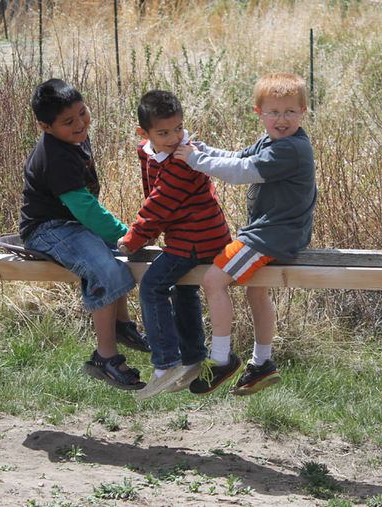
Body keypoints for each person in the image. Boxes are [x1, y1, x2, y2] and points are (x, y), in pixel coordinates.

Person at [174, 72, 317, 395]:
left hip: (270, 236)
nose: (282, 119)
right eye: (274, 112)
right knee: (256, 291)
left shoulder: (290, 150)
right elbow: (238, 158)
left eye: (290, 112)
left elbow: (241, 173)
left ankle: (221, 358)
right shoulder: (273, 142)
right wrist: (205, 150)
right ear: (259, 113)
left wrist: (196, 160)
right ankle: (261, 364)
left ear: (303, 112)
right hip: (279, 234)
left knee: (213, 280)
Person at [19, 78, 150, 391]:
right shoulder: (55, 156)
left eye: (82, 113)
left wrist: (126, 240)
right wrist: (126, 233)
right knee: (104, 269)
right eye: (68, 121)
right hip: (47, 228)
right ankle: (105, 357)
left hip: (74, 223)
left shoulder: (75, 140)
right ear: (45, 127)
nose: (80, 123)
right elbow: (85, 209)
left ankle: (121, 325)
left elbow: (86, 209)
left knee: (120, 257)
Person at [117, 90, 232, 400]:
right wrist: (151, 234)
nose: (174, 137)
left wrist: (133, 240)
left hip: (199, 237)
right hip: (188, 236)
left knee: (152, 287)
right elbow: (151, 193)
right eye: (164, 132)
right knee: (183, 288)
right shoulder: (149, 153)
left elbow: (159, 204)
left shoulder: (184, 160)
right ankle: (193, 356)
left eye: (179, 128)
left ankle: (166, 361)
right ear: (144, 133)